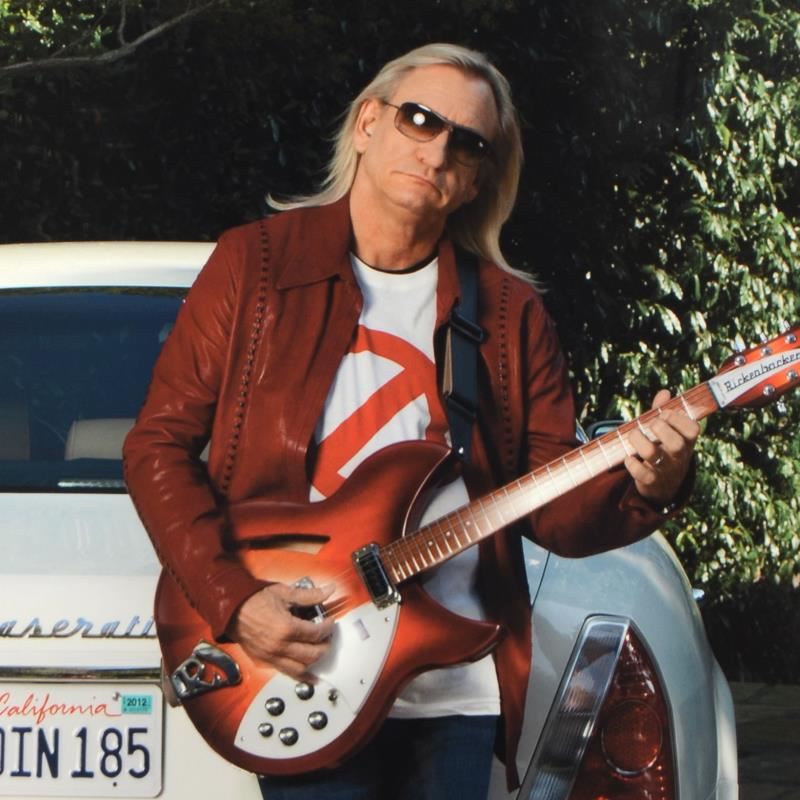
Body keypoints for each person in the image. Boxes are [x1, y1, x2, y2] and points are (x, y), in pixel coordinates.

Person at [123, 43, 699, 800]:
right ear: (368, 123)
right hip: (307, 659)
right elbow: (157, 446)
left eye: (469, 143)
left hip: (453, 681)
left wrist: (651, 483)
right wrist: (233, 599)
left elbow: (553, 510)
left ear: (478, 181)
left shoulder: (508, 313)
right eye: (420, 119)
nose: (437, 151)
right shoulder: (256, 266)